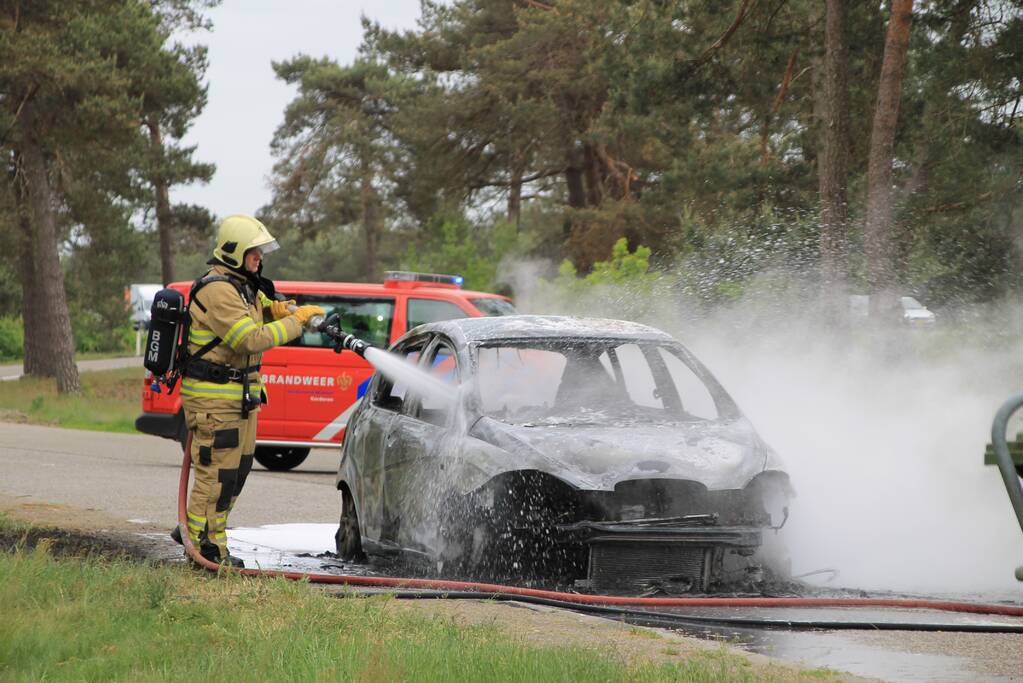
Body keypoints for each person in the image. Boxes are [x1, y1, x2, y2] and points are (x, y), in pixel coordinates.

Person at [175, 214, 324, 566]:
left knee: (234, 475)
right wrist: (296, 323)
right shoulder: (217, 289)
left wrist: (283, 309)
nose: (259, 259)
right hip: (214, 401)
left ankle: (206, 537)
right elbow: (248, 338)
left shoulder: (240, 284)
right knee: (216, 477)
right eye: (254, 253)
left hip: (238, 400)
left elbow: (257, 314)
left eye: (260, 252)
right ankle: (204, 550)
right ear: (234, 252)